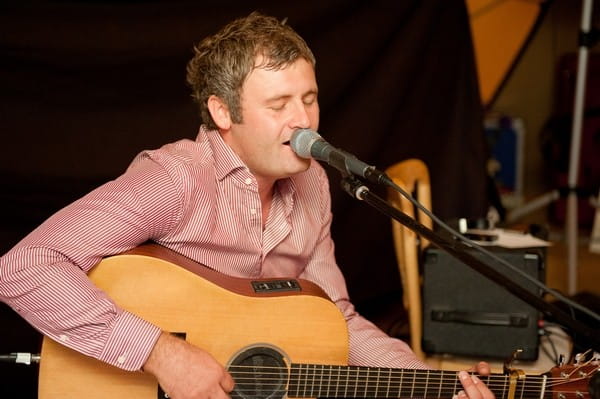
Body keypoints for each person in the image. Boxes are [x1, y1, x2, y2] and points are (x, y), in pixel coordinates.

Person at [0, 12, 494, 399]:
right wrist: (161, 354)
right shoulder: (176, 178)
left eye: (310, 98)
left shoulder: (313, 185)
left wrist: (432, 383)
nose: (304, 122)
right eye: (279, 106)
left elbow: (335, 317)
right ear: (222, 112)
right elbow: (23, 267)